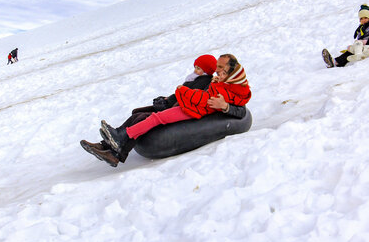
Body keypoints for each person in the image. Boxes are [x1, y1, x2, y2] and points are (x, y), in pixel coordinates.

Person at [80, 54, 247, 167]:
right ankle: (108, 146)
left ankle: (117, 148)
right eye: (218, 67)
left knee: (147, 117)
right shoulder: (215, 81)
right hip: (181, 104)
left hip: (189, 110)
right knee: (137, 113)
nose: (218, 71)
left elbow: (238, 110)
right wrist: (168, 99)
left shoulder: (221, 86)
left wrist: (224, 106)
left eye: (222, 69)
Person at [322, 4, 369, 68]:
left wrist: (367, 45)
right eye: (361, 19)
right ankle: (335, 62)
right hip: (364, 47)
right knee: (352, 48)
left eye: (365, 18)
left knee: (357, 44)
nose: (363, 20)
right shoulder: (361, 28)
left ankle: (357, 54)